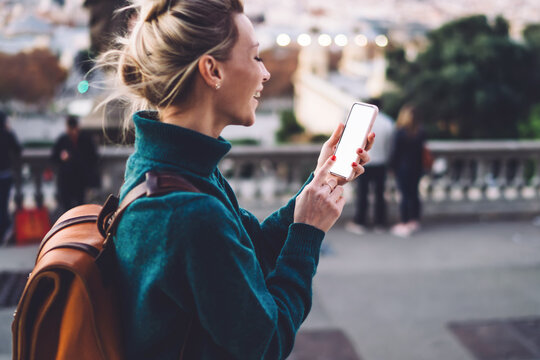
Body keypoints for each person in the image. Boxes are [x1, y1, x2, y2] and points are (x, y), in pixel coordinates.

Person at [99, 1, 374, 359]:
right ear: (212, 71)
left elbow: (248, 250)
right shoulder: (188, 210)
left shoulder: (167, 168)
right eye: (256, 57)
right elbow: (267, 342)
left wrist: (314, 191)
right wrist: (308, 234)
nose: (266, 74)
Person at [346, 99, 394, 234]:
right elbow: (390, 146)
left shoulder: (362, 122)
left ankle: (361, 222)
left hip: (364, 163)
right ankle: (380, 223)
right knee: (380, 194)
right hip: (381, 162)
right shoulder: (388, 122)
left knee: (362, 194)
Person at [389, 104, 426, 237]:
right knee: (414, 194)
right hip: (417, 167)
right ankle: (414, 220)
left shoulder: (400, 132)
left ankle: (404, 223)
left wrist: (392, 167)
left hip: (403, 168)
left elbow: (396, 153)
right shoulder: (421, 131)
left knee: (404, 195)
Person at [50, 115, 99, 212]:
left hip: (81, 180)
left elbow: (93, 157)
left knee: (81, 207)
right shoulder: (63, 140)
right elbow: (53, 158)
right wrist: (61, 157)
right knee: (66, 208)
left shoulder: (85, 139)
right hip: (66, 180)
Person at [0, 110, 22, 244]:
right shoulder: (8, 134)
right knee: (3, 205)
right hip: (5, 175)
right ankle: (4, 232)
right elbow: (18, 150)